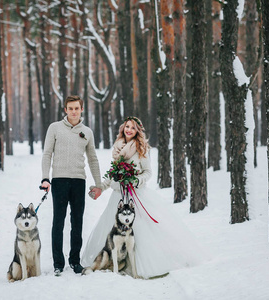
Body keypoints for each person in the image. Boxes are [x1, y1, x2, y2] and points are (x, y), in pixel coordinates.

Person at [82, 116, 205, 279]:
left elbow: (147, 172)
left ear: (137, 131)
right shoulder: (117, 147)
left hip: (135, 195)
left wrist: (135, 180)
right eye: (127, 126)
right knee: (114, 231)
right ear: (123, 128)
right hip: (118, 196)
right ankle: (114, 262)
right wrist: (101, 188)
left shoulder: (142, 148)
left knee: (140, 231)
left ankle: (139, 266)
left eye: (133, 128)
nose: (129, 130)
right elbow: (113, 175)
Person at [41, 95, 102, 275]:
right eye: (70, 108)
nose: (74, 111)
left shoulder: (87, 132)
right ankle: (58, 263)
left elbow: (92, 159)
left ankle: (75, 261)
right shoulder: (55, 128)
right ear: (65, 110)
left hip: (78, 181)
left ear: (81, 109)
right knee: (58, 222)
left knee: (77, 222)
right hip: (59, 180)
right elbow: (47, 154)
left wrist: (98, 184)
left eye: (77, 108)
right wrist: (45, 178)